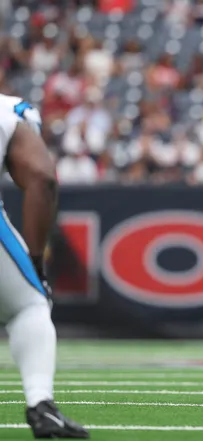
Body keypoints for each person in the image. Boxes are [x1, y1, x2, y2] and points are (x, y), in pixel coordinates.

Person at [0, 93, 89, 439]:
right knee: (30, 305)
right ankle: (41, 406)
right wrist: (36, 262)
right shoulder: (12, 110)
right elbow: (42, 177)